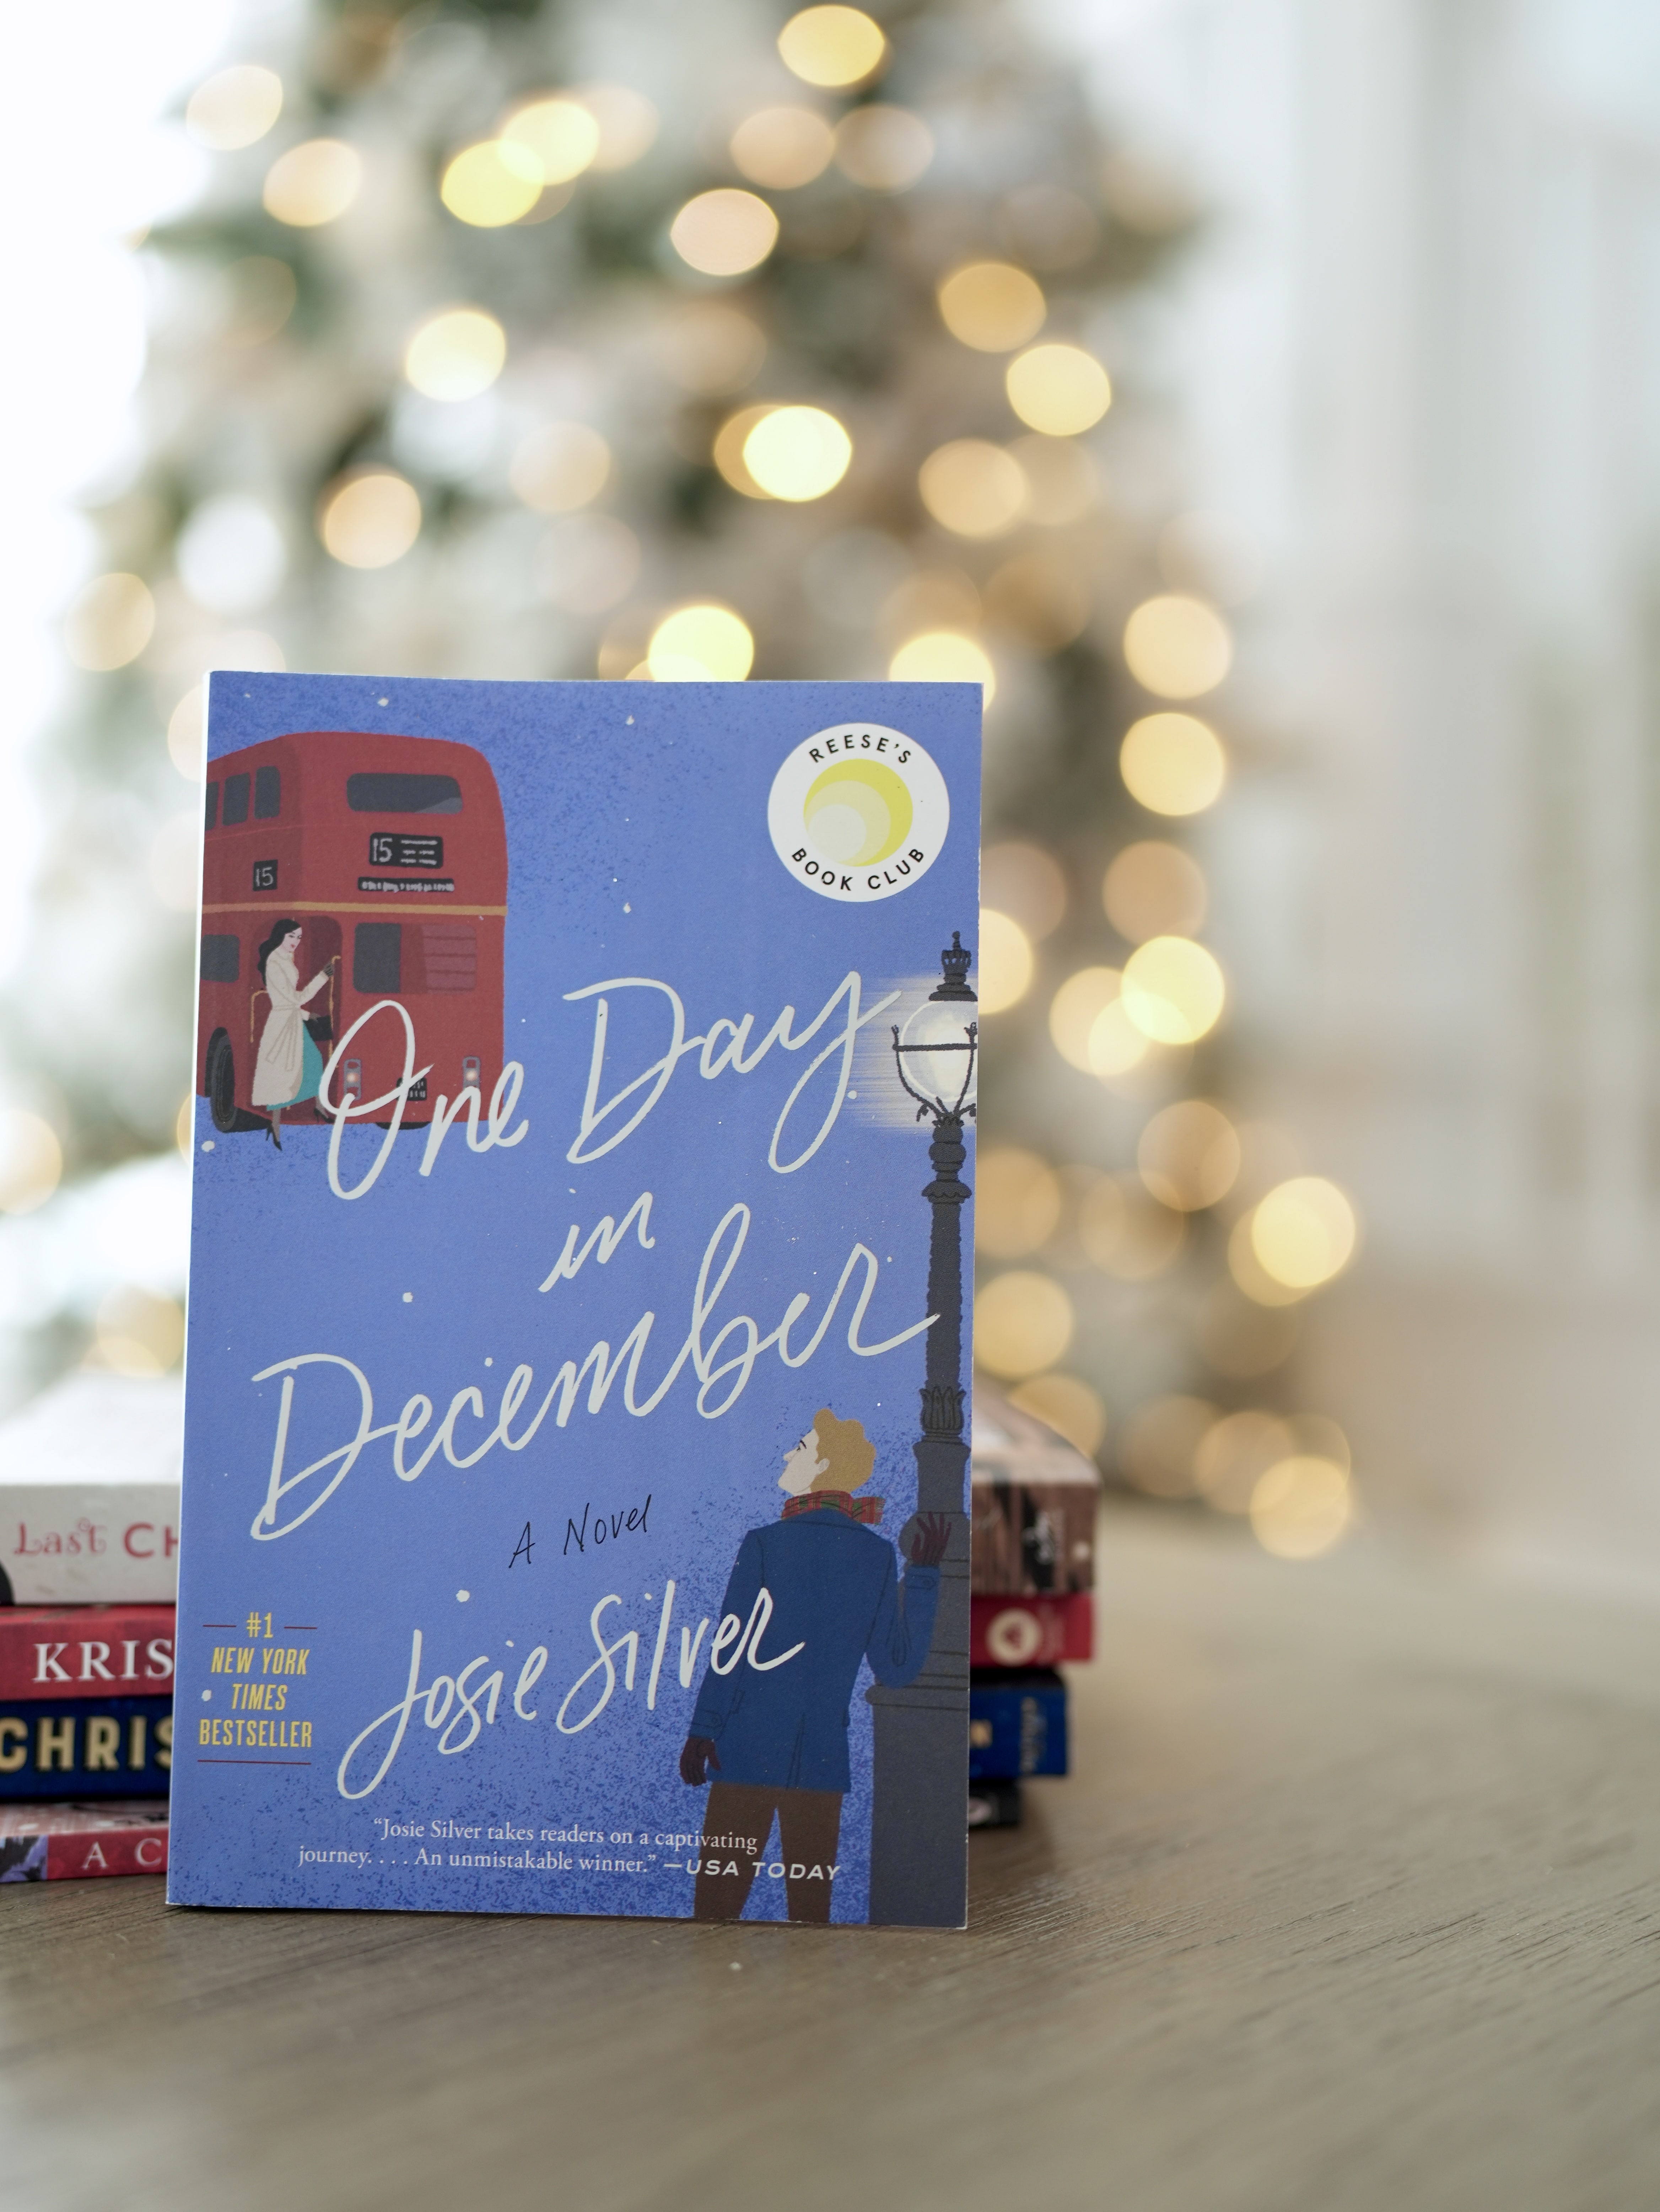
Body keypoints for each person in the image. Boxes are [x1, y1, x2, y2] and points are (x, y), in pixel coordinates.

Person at [680, 1407, 951, 1924]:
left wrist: (703, 1729)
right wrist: (925, 1575)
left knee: (714, 1913)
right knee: (813, 1920)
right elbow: (897, 1668)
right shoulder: (876, 1556)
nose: (789, 1454)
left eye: (801, 1448)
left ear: (823, 1465)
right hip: (822, 1763)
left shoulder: (765, 1544)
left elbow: (730, 1648)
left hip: (744, 1751)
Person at [251, 920, 331, 1148]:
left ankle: (318, 1107)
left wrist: (306, 1016)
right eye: (292, 936)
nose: (296, 942)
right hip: (282, 1026)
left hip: (292, 1021)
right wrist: (322, 978)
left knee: (312, 1061)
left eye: (299, 937)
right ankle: (275, 1126)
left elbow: (289, 1002)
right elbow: (293, 999)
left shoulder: (285, 958)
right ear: (281, 936)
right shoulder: (275, 962)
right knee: (280, 1074)